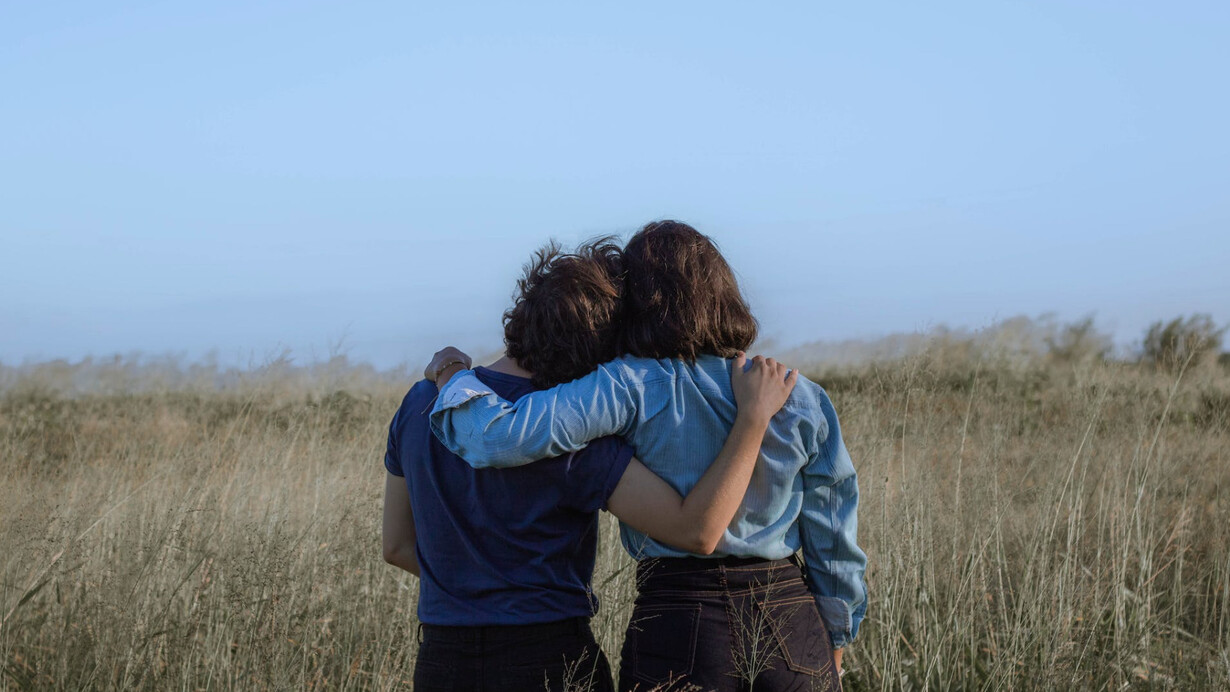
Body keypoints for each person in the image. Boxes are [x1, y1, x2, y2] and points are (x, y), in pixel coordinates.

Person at [426, 221, 867, 692]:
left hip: (679, 615)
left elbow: (499, 438)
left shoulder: (628, 384)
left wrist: (453, 374)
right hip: (792, 620)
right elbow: (834, 540)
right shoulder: (800, 397)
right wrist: (834, 644)